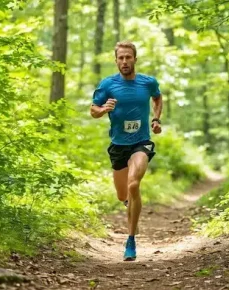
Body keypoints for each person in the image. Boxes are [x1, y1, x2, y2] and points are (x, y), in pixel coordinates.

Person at [90, 41, 163, 261]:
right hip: (118, 146)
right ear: (116, 61)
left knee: (134, 183)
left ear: (135, 59)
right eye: (120, 58)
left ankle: (130, 239)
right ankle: (130, 208)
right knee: (123, 195)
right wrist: (104, 109)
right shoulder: (108, 84)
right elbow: (93, 110)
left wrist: (156, 118)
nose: (124, 61)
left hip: (141, 142)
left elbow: (157, 97)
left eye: (128, 57)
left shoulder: (148, 83)